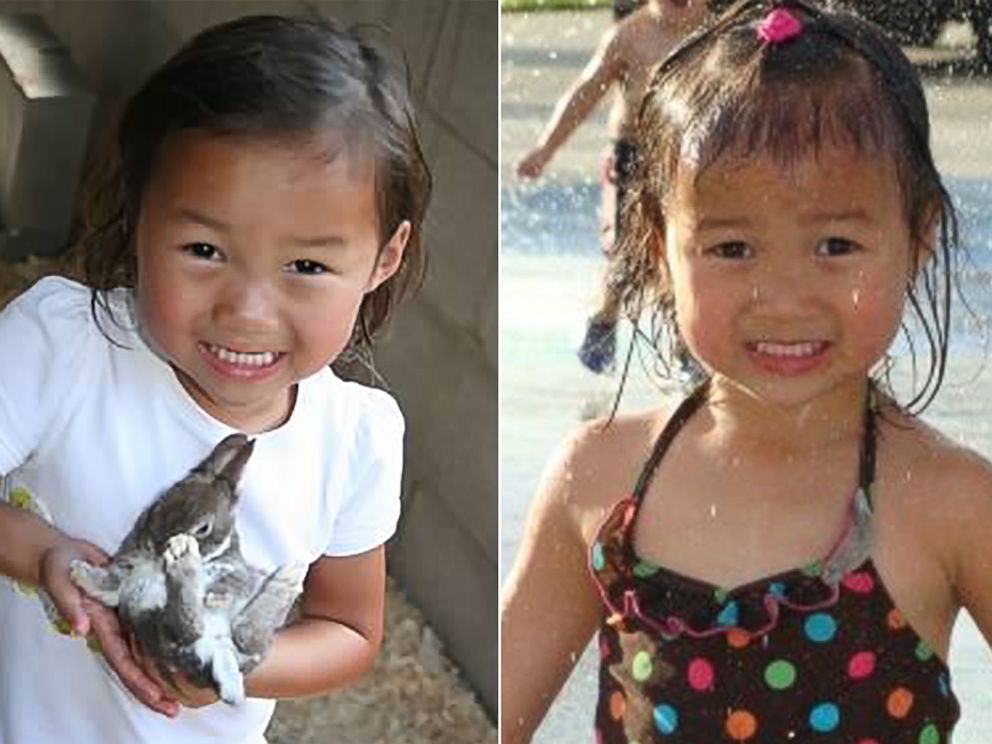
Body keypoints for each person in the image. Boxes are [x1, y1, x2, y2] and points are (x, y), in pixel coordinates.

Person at [501, 1, 992, 741]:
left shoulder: (948, 502)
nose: (785, 299)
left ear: (917, 238)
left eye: (835, 245)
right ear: (659, 248)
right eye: (732, 249)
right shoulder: (599, 479)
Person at [0, 14, 430, 743]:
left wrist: (232, 662)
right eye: (204, 249)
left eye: (307, 266)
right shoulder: (64, 346)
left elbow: (349, 630)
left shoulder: (357, 436)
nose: (247, 311)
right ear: (138, 216)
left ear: (384, 258)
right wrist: (45, 554)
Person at [517, 0, 707, 374]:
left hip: (692, 159)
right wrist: (546, 147)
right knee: (627, 253)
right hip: (633, 156)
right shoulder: (630, 36)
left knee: (687, 249)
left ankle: (686, 347)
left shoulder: (716, 34)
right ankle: (603, 321)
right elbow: (585, 93)